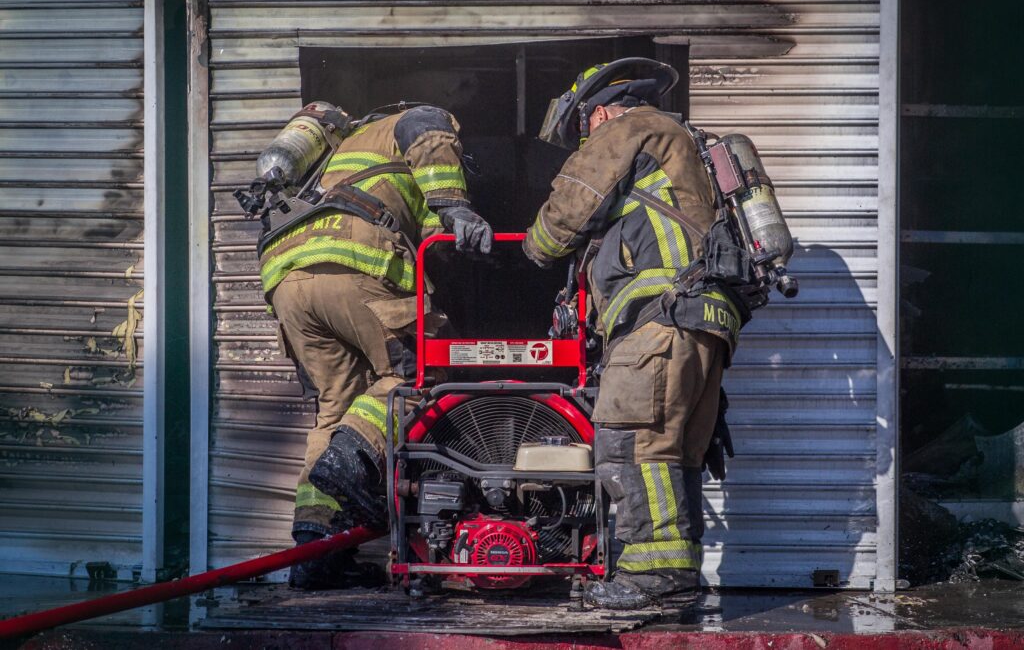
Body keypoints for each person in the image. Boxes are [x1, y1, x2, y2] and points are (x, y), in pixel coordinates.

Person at [523, 58, 748, 610]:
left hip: (660, 320)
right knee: (674, 456)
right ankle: (675, 578)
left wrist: (531, 245)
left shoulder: (628, 128)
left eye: (583, 129)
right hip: (704, 322)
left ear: (598, 112)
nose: (586, 138)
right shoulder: (686, 147)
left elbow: (559, 224)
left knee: (633, 446)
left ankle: (651, 580)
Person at [257, 102, 493, 589]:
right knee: (421, 376)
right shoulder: (413, 120)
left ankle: (315, 547)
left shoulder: (334, 154)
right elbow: (428, 137)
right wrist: (457, 206)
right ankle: (351, 462)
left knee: (335, 407)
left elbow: (431, 238)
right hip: (356, 256)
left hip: (285, 275)